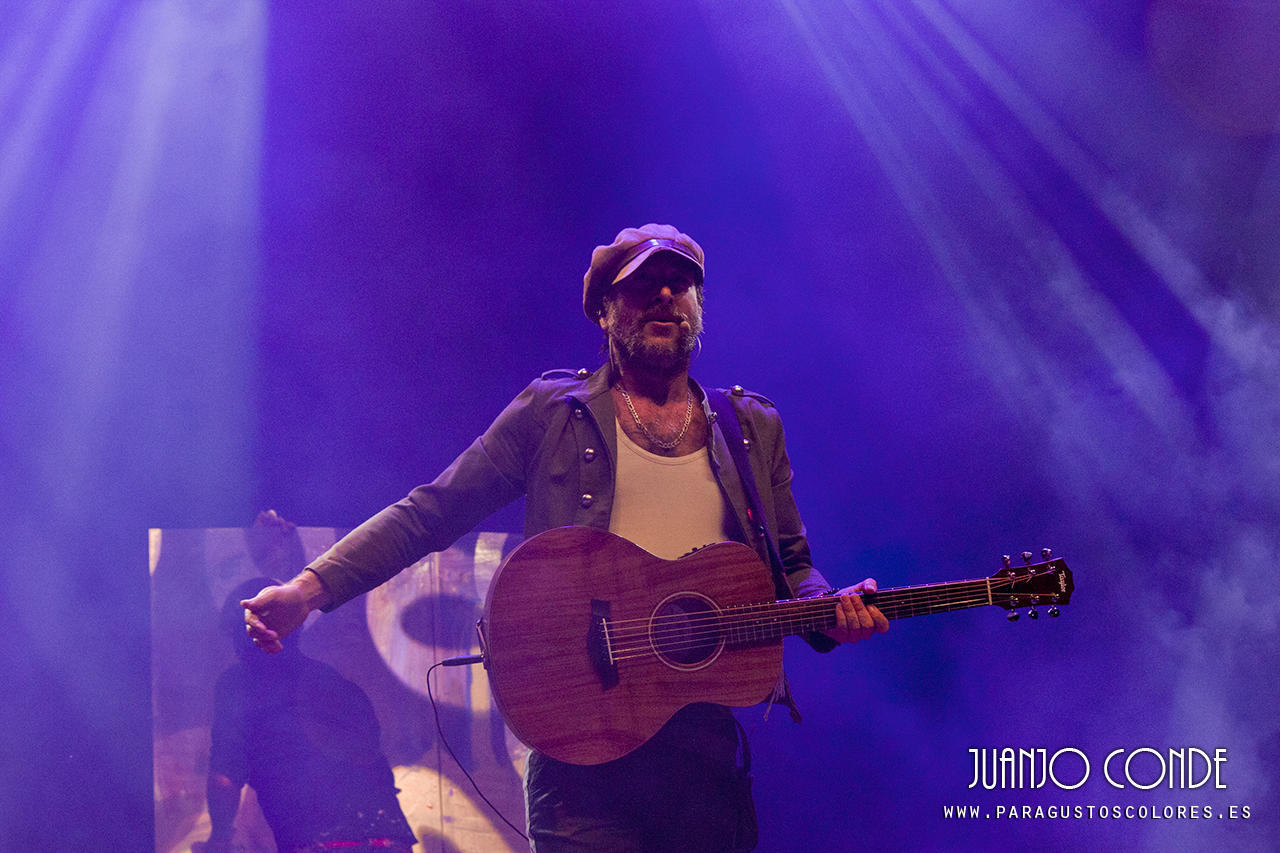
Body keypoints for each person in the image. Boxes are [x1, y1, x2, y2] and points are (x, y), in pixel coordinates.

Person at [243, 224, 888, 852]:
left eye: (680, 284)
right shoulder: (552, 414)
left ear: (699, 306)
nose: (665, 297)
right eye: (644, 286)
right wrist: (309, 588)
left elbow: (794, 567)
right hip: (580, 758)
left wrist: (830, 611)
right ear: (606, 313)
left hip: (702, 757)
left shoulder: (750, 427)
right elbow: (430, 512)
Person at [195, 575, 418, 853]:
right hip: (390, 839)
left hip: (320, 843)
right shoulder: (332, 681)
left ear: (241, 633)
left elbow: (225, 777)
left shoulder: (239, 683)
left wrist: (219, 838)